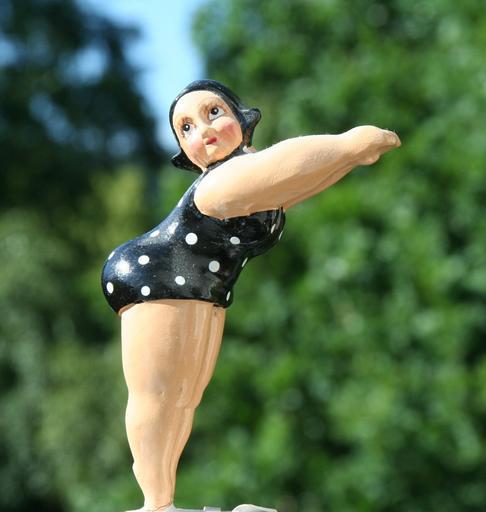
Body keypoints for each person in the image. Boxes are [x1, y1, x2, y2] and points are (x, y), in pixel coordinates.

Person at [101, 79, 401, 512]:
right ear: (184, 153)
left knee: (184, 396)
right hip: (157, 276)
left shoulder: (249, 177)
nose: (203, 130)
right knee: (159, 394)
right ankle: (155, 502)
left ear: (242, 119)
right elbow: (287, 162)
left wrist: (350, 158)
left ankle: (161, 501)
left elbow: (299, 182)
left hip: (203, 287)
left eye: (213, 113)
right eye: (186, 128)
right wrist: (350, 145)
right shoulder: (220, 183)